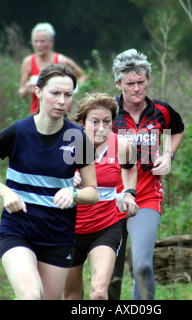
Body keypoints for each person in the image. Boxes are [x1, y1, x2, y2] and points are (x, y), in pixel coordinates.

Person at [0, 63, 98, 300]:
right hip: (18, 230)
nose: (62, 101)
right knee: (30, 295)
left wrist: (74, 194)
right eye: (55, 93)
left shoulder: (77, 138)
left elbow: (93, 192)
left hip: (58, 236)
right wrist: (6, 193)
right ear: (38, 92)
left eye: (68, 95)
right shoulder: (18, 132)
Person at [108, 49, 185, 300]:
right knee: (112, 272)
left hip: (147, 195)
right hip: (112, 195)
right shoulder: (107, 113)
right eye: (130, 83)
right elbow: (84, 146)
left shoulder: (161, 110)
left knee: (142, 265)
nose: (137, 88)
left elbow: (178, 130)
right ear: (118, 83)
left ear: (148, 81)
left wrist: (167, 155)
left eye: (141, 82)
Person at [63, 93, 139, 300]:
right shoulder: (67, 147)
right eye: (94, 122)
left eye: (107, 122)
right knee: (71, 295)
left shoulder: (121, 146)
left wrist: (129, 194)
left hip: (105, 227)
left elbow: (131, 168)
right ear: (82, 122)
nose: (101, 128)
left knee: (98, 292)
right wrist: (66, 180)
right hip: (68, 229)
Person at [19, 23, 88, 114]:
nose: (38, 45)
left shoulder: (61, 60)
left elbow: (83, 75)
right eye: (35, 41)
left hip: (61, 113)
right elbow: (22, 93)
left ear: (51, 42)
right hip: (37, 114)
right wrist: (26, 90)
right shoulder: (28, 62)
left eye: (42, 41)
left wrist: (72, 90)